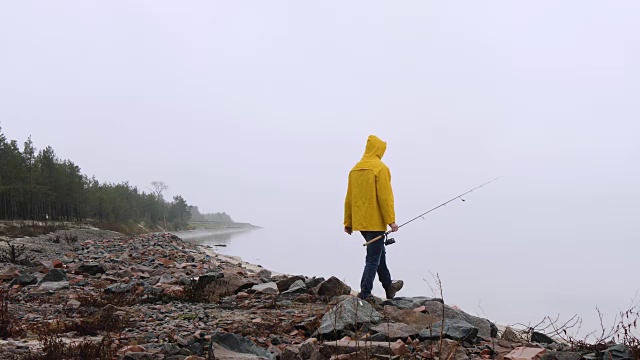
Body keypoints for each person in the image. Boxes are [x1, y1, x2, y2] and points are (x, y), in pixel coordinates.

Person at [344, 135, 403, 300]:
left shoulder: (355, 169)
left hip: (360, 223)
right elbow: (385, 197)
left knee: (378, 254)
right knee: (373, 258)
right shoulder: (380, 168)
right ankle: (365, 293)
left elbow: (349, 197)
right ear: (379, 150)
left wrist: (348, 222)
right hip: (375, 221)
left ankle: (388, 286)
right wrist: (391, 220)